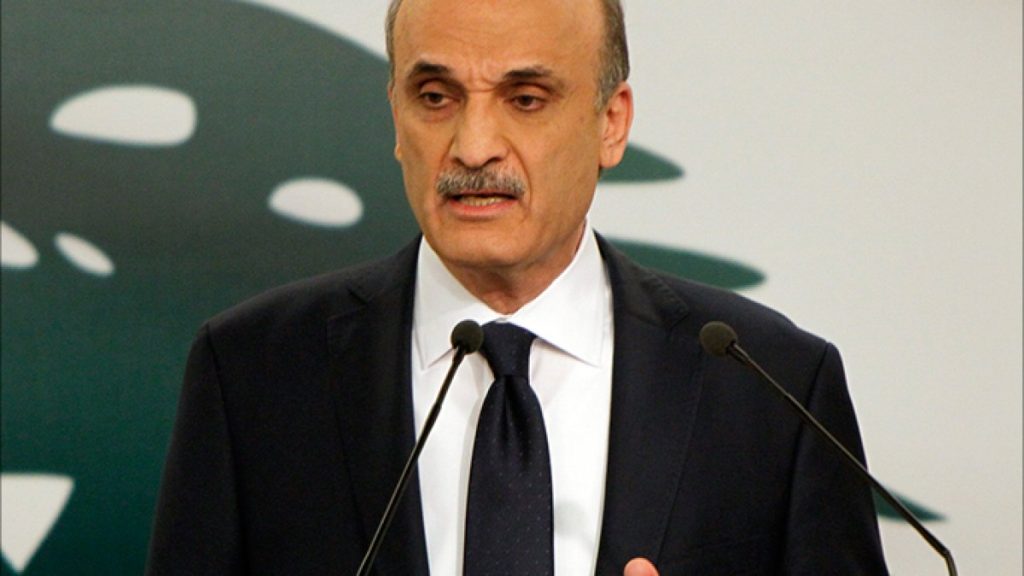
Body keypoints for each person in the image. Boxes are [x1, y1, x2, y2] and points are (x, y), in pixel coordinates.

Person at [146, 0, 889, 574]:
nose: (473, 147)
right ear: (396, 118)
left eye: (525, 98)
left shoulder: (770, 388)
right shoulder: (252, 371)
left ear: (611, 123)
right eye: (435, 96)